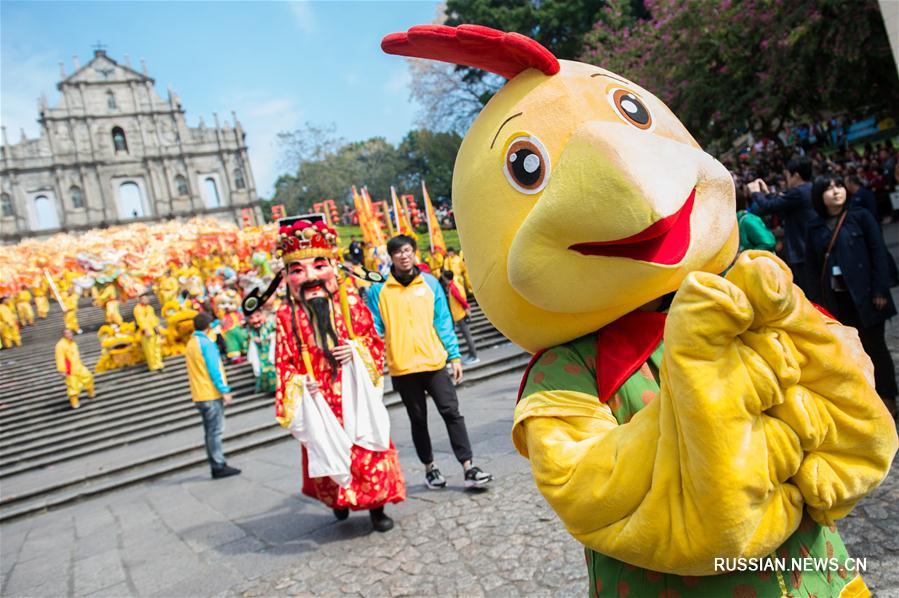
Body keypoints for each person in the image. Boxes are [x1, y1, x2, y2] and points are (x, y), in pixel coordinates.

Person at [275, 217, 405, 532]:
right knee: (326, 448)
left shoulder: (351, 304)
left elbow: (373, 342)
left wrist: (356, 352)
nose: (310, 277)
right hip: (319, 399)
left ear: (335, 267)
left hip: (354, 394)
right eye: (298, 270)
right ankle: (339, 501)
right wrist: (299, 383)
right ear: (287, 277)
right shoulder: (286, 316)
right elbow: (284, 362)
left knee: (367, 450)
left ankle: (377, 508)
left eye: (319, 266)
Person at [367, 234, 493, 490]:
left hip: (434, 363)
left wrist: (454, 355)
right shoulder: (378, 289)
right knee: (418, 420)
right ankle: (430, 469)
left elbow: (443, 321)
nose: (404, 255)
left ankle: (469, 466)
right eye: (398, 252)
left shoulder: (431, 284)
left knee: (452, 413)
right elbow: (374, 329)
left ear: (414, 253)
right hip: (402, 367)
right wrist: (374, 365)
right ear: (390, 257)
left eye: (407, 250)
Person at [804, 174, 897, 417]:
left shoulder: (860, 217)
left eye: (838, 185)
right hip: (837, 300)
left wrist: (880, 290)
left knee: (877, 348)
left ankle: (888, 397)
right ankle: (868, 399)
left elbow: (878, 254)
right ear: (819, 196)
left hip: (867, 297)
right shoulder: (813, 228)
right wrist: (816, 306)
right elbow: (812, 270)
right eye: (828, 187)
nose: (836, 191)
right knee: (852, 352)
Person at [748, 156, 817, 293]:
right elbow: (780, 205)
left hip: (802, 252)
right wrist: (767, 193)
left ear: (796, 175)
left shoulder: (799, 192)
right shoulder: (810, 189)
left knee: (810, 293)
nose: (786, 180)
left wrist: (755, 192)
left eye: (787, 176)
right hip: (808, 249)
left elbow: (767, 207)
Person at [185, 312, 240, 479]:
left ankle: (216, 463)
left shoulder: (191, 343)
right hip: (210, 393)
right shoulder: (206, 344)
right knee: (215, 431)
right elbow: (214, 369)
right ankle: (218, 464)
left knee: (210, 432)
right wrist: (224, 391)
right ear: (209, 326)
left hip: (199, 394)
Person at [440, 270, 479, 364]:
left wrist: (466, 307)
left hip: (460, 314)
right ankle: (471, 354)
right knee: (467, 336)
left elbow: (459, 298)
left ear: (446, 278)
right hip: (459, 314)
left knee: (467, 336)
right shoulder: (454, 285)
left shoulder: (453, 287)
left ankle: (474, 356)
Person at [54, 328, 94, 409]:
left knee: (89, 377)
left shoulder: (73, 343)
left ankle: (91, 394)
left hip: (79, 366)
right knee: (73, 387)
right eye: (67, 333)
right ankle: (75, 403)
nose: (70, 335)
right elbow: (60, 358)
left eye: (70, 333)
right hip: (70, 370)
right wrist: (62, 370)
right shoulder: (60, 345)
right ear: (64, 335)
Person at [246, 308, 276, 394]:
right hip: (260, 351)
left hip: (270, 349)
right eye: (251, 318)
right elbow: (248, 338)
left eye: (257, 316)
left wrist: (273, 335)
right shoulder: (250, 329)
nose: (255, 320)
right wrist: (252, 339)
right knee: (261, 369)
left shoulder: (270, 324)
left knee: (272, 368)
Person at [133, 291, 164, 371]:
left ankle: (159, 363)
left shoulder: (150, 308)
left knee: (156, 347)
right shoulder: (138, 309)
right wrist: (146, 330)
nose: (146, 299)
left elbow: (154, 318)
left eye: (147, 298)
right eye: (144, 298)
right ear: (140, 300)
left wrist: (157, 328)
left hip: (153, 330)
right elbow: (141, 320)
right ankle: (153, 366)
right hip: (146, 331)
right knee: (149, 349)